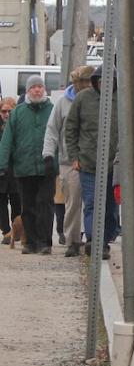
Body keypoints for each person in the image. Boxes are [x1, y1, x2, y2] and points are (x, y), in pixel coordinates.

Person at [64, 65, 119, 260]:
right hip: (88, 163)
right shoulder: (83, 99)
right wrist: (74, 157)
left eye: (109, 81)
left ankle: (106, 237)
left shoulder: (121, 100)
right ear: (95, 81)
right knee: (92, 204)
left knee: (111, 208)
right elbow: (70, 128)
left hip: (115, 165)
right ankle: (96, 243)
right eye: (101, 80)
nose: (105, 84)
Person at [42, 65, 94, 256]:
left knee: (92, 203)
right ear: (77, 82)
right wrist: (48, 154)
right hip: (68, 161)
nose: (87, 85)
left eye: (90, 80)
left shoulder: (97, 101)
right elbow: (52, 130)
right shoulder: (63, 103)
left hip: (92, 160)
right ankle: (72, 240)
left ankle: (93, 239)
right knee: (72, 203)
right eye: (84, 81)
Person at [0, 76, 55, 254]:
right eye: (33, 88)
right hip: (24, 168)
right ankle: (30, 242)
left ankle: (45, 242)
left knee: (45, 204)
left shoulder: (52, 110)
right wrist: (2, 163)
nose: (37, 90)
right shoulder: (17, 113)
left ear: (44, 89)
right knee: (28, 206)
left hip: (47, 167)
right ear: (28, 91)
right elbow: (7, 140)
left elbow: (60, 136)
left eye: (40, 87)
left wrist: (59, 161)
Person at [0, 97, 21, 245]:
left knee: (16, 201)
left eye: (9, 111)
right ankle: (6, 231)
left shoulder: (18, 126)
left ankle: (16, 230)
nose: (6, 114)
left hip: (15, 170)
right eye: (3, 111)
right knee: (0, 202)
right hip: (1, 171)